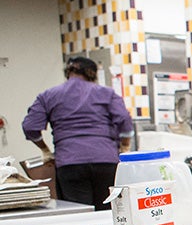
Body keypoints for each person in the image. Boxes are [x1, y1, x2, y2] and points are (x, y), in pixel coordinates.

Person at [22, 56, 134, 209]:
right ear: (92, 74)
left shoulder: (48, 95)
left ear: (68, 73)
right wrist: (125, 147)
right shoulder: (107, 93)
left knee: (79, 214)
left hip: (70, 162)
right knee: (109, 211)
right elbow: (125, 121)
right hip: (106, 161)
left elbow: (30, 127)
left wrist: (45, 150)